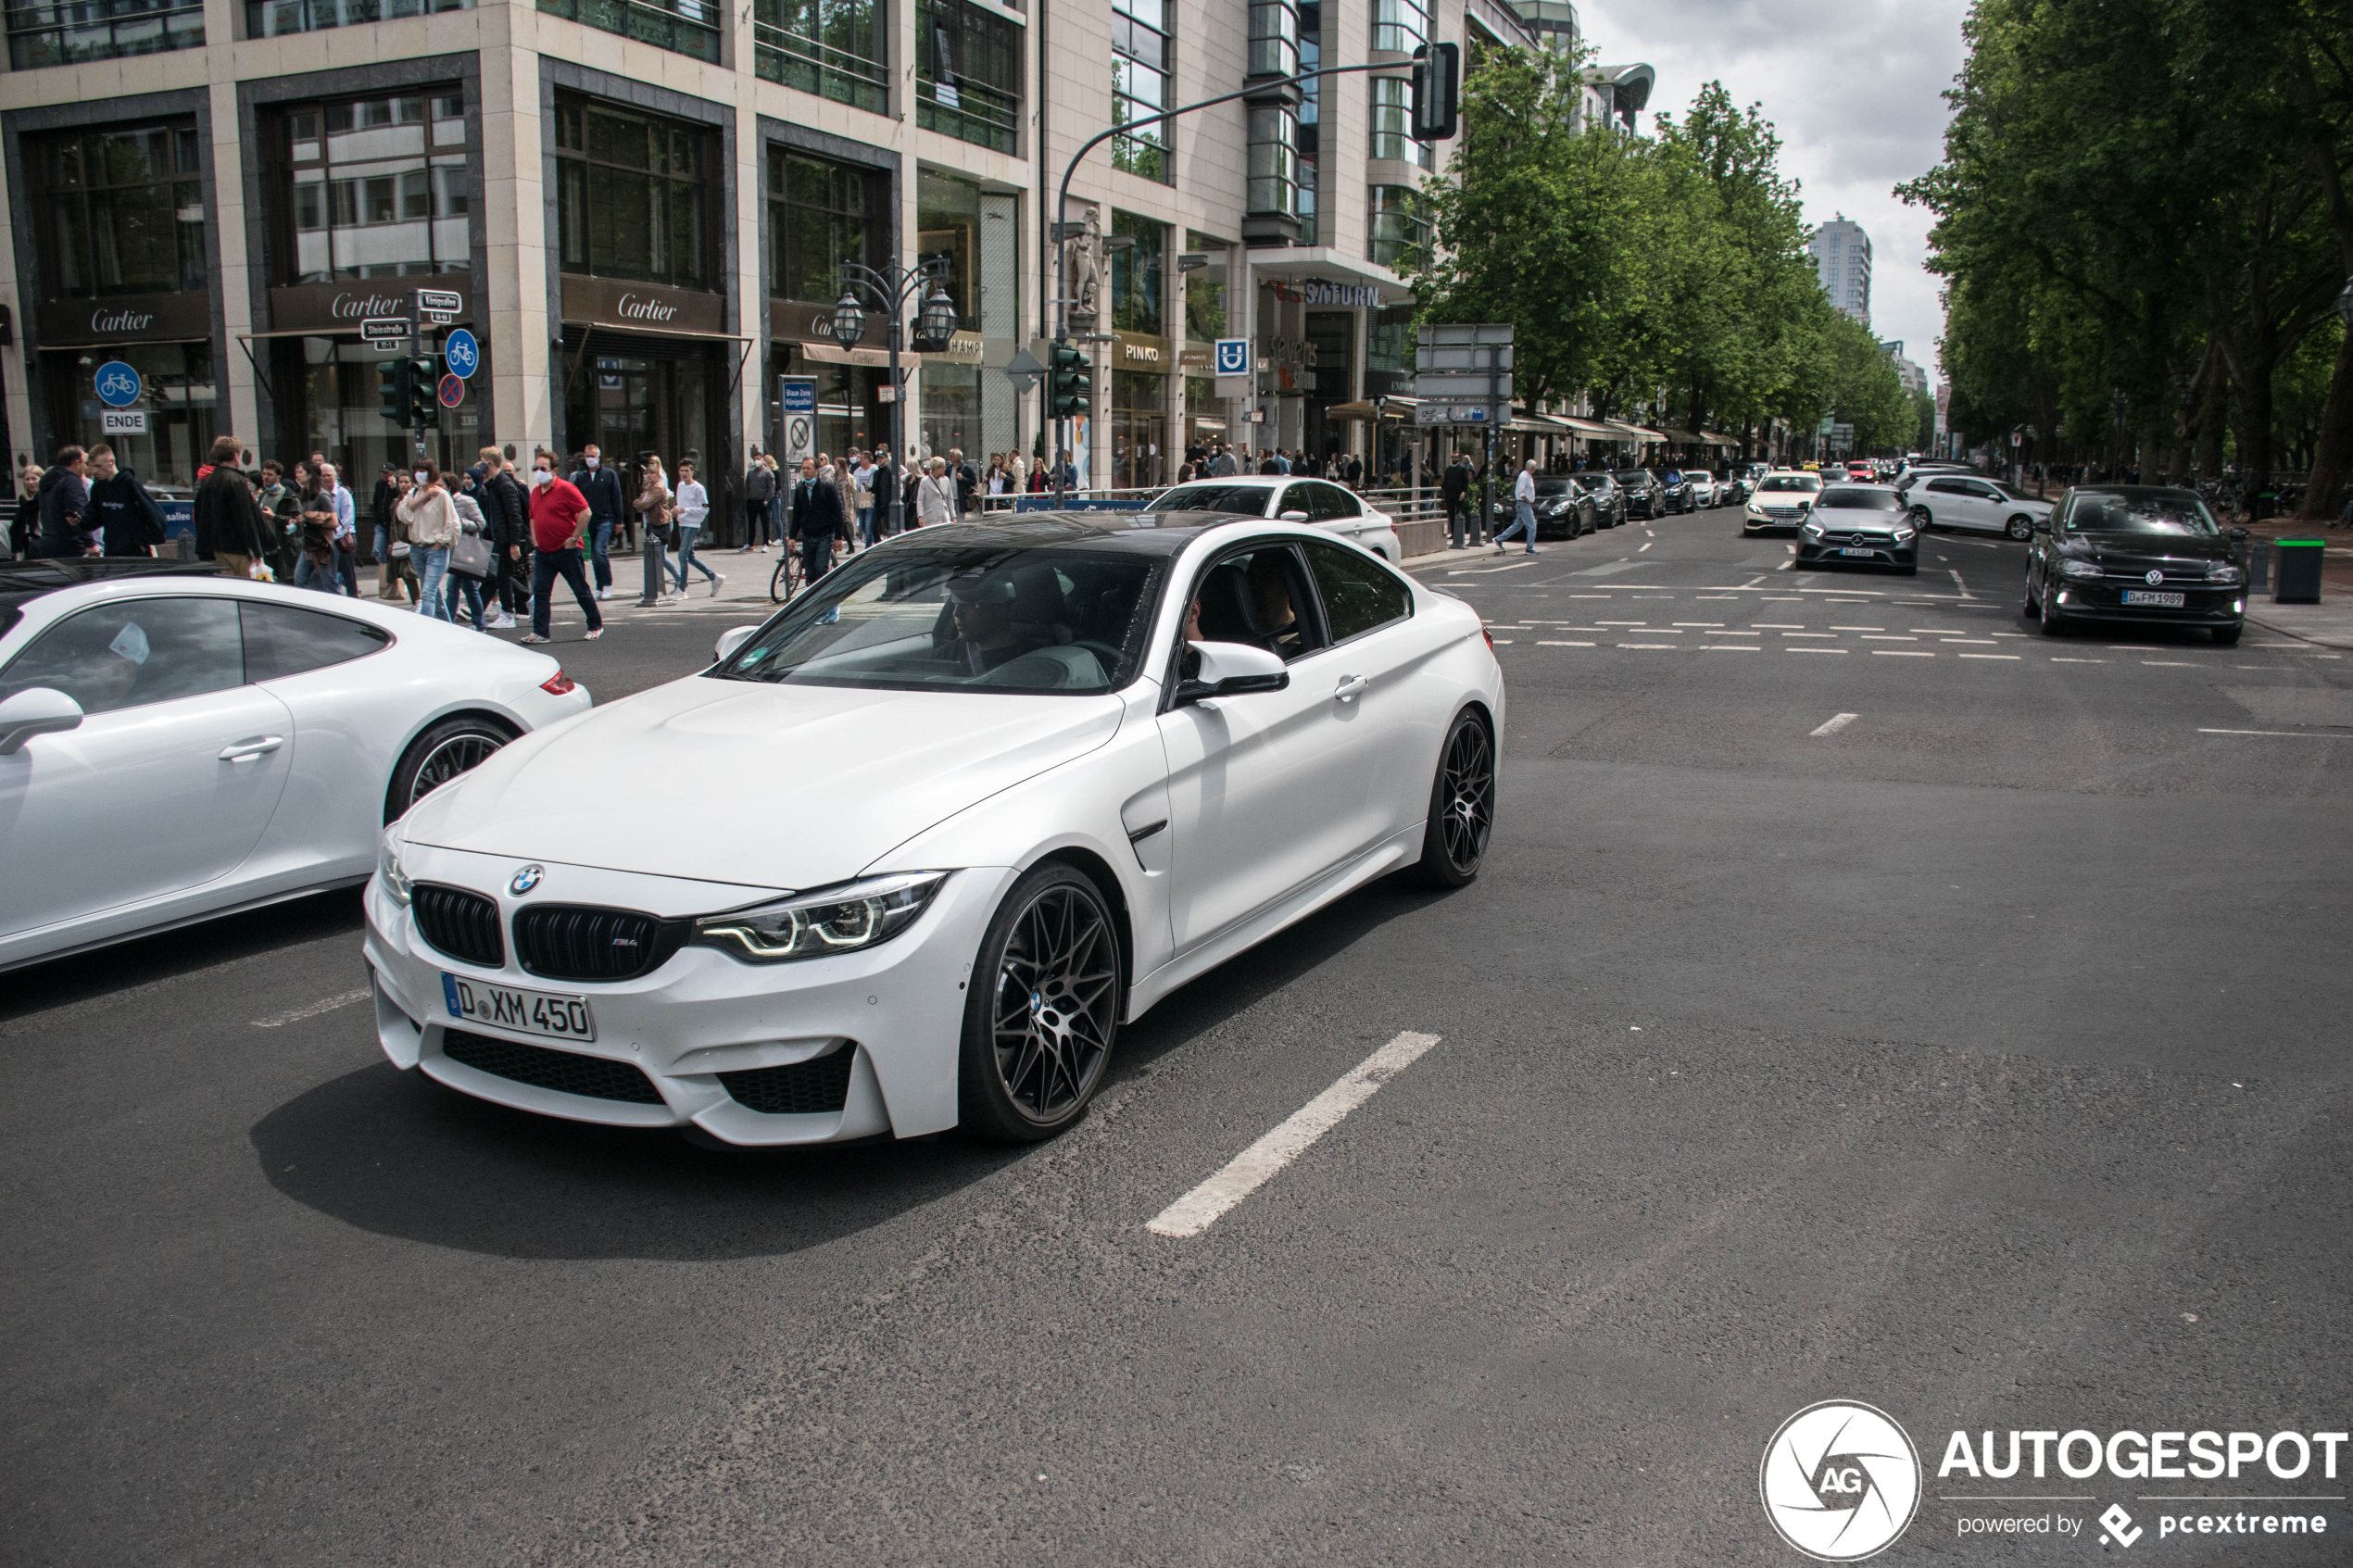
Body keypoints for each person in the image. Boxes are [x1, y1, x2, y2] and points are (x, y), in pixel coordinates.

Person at [523, 450, 604, 643]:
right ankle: (541, 632)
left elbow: (586, 512)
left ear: (554, 470)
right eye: (536, 468)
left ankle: (595, 625)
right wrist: (534, 540)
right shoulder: (535, 492)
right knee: (540, 592)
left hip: (566, 549)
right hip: (544, 551)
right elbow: (533, 517)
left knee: (579, 589)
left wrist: (575, 538)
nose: (538, 472)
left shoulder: (566, 489)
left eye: (543, 468)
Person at [192, 439, 271, 578]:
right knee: (248, 590)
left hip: (218, 549)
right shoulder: (235, 480)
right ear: (235, 456)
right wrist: (256, 552)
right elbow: (245, 519)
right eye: (240, 455)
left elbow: (200, 514)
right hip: (238, 549)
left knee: (231, 589)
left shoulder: (209, 479)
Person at [396, 468, 460, 617]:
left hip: (435, 550)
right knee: (433, 592)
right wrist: (422, 498)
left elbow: (453, 523)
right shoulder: (413, 494)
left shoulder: (442, 495)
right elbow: (403, 514)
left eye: (423, 470)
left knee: (427, 592)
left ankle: (427, 629)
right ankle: (447, 627)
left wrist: (441, 543)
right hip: (417, 549)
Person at [479, 450, 531, 629]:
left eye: (482, 463)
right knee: (502, 575)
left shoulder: (504, 485)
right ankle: (524, 603)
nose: (480, 466)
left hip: (507, 539)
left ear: (490, 464)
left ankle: (508, 614)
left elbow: (514, 515)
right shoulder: (493, 484)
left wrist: (514, 542)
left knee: (503, 576)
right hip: (499, 537)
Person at [570, 443, 626, 599]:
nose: (590, 459)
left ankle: (608, 583)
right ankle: (599, 586)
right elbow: (574, 497)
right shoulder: (581, 477)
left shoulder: (609, 474)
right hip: (589, 521)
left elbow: (617, 497)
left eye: (593, 456)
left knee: (600, 550)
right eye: (587, 456)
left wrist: (619, 520)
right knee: (594, 554)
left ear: (598, 457)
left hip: (606, 518)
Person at [87, 445, 166, 557]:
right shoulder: (98, 487)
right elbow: (94, 518)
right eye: (93, 467)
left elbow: (157, 516)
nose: (95, 471)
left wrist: (143, 541)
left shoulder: (130, 483)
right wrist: (79, 520)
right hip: (111, 550)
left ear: (111, 462)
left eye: (98, 466)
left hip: (134, 552)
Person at [786, 455, 847, 584]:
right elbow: (797, 514)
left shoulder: (827, 488)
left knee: (821, 568)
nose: (805, 471)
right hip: (808, 536)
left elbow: (837, 513)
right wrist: (792, 536)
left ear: (817, 470)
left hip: (824, 535)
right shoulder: (800, 489)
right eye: (803, 468)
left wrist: (838, 537)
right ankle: (811, 599)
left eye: (809, 468)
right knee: (810, 573)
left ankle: (824, 595)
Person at [667, 458, 723, 597]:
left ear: (692, 472)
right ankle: (714, 577)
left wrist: (684, 510)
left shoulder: (698, 488)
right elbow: (681, 503)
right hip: (683, 523)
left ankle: (682, 588)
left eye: (687, 471)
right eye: (682, 471)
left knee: (682, 555)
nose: (684, 473)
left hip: (692, 525)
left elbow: (704, 509)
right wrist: (676, 510)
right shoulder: (680, 486)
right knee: (690, 557)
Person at [445, 474, 492, 630]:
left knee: (456, 587)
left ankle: (452, 622)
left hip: (466, 549)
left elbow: (480, 524)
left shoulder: (466, 501)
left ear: (449, 486)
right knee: (467, 588)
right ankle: (478, 623)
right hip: (453, 550)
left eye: (441, 485)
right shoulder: (443, 502)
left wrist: (460, 522)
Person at [33, 445, 95, 559]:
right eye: (84, 463)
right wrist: (90, 544)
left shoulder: (47, 480)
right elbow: (77, 513)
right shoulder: (71, 481)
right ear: (76, 462)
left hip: (48, 543)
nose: (86, 467)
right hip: (70, 546)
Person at [323, 462, 361, 595]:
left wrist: (336, 534)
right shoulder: (320, 495)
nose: (326, 478)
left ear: (335, 476)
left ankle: (353, 597)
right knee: (330, 573)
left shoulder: (343, 493)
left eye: (329, 475)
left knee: (348, 573)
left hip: (344, 537)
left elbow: (348, 518)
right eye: (323, 476)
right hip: (328, 539)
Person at [1494, 458, 1541, 555]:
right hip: (1524, 504)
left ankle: (1499, 539)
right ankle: (1529, 548)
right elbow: (1520, 491)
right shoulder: (1524, 476)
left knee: (1518, 525)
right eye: (1534, 468)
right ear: (1531, 468)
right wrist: (1527, 500)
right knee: (1532, 526)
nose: (1535, 470)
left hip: (1523, 504)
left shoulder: (1527, 476)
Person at [742, 450, 776, 550]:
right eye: (755, 459)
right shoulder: (751, 472)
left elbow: (771, 488)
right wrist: (747, 498)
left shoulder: (767, 472)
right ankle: (750, 543)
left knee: (765, 523)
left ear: (762, 459)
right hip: (752, 501)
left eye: (758, 459)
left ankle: (765, 543)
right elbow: (747, 486)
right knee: (751, 524)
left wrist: (766, 500)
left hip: (762, 501)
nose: (756, 461)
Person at [1442, 449, 1475, 548]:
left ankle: (1459, 532)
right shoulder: (1448, 469)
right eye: (1453, 457)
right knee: (1451, 513)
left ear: (1459, 458)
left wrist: (1463, 492)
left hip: (1458, 494)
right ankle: (1452, 532)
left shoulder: (1462, 469)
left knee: (1459, 513)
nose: (1454, 459)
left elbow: (1465, 482)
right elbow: (1445, 481)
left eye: (1456, 457)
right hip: (1450, 495)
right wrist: (1444, 491)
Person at [916, 456, 957, 526]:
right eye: (942, 467)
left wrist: (953, 516)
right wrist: (920, 516)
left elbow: (950, 499)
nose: (945, 469)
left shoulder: (946, 480)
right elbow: (920, 500)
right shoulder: (925, 481)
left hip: (944, 516)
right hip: (930, 517)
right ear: (935, 468)